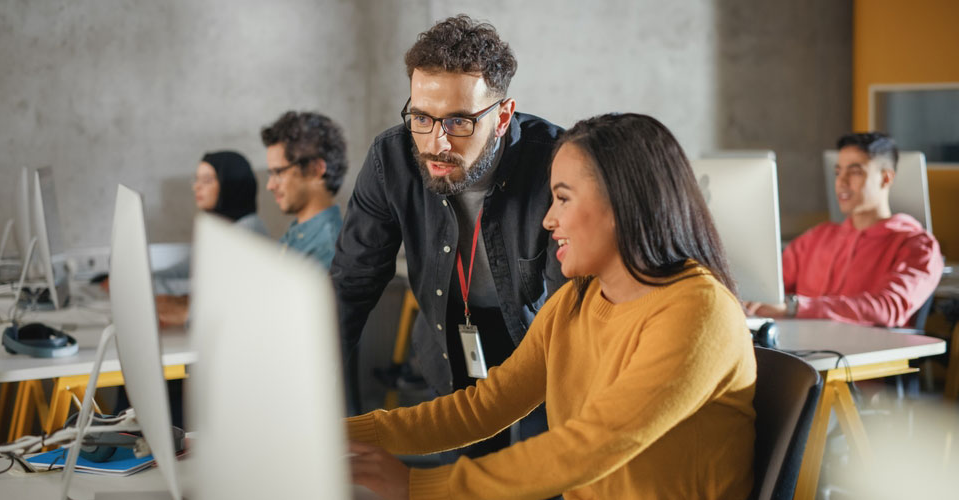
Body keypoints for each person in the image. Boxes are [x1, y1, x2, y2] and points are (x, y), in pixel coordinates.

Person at [347, 113, 757, 500]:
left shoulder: (698, 312)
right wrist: (340, 434)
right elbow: (482, 410)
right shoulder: (573, 304)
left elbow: (590, 446)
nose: (548, 220)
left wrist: (418, 486)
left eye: (562, 199)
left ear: (622, 203)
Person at [330, 15, 564, 458]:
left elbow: (576, 306)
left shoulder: (557, 163)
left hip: (541, 348)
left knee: (535, 475)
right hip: (448, 338)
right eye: (422, 117)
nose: (436, 143)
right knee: (463, 475)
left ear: (503, 116)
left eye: (459, 122)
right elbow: (350, 286)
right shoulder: (392, 158)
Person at [745, 132, 943, 327]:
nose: (842, 182)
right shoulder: (817, 237)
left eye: (855, 172)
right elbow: (765, 290)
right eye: (838, 172)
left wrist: (794, 307)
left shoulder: (917, 245)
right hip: (803, 350)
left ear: (886, 179)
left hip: (870, 355)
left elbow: (887, 308)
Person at [154, 150, 267, 325]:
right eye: (197, 179)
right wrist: (146, 278)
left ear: (230, 184)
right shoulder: (220, 229)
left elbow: (210, 289)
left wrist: (146, 286)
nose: (196, 187)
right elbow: (185, 269)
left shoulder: (247, 232)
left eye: (206, 180)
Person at [261, 111, 347, 268]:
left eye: (278, 172)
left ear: (316, 169)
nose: (270, 185)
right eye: (270, 174)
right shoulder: (300, 233)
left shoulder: (327, 248)